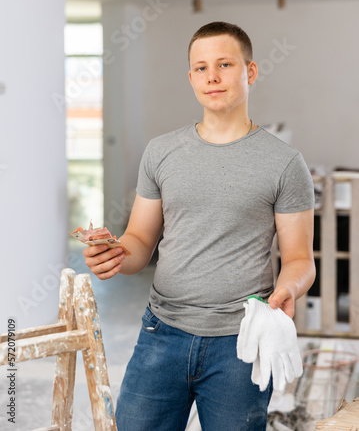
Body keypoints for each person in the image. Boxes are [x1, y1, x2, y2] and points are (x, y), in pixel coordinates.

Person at [83, 21, 316, 430]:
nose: (212, 76)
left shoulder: (284, 163)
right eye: (201, 67)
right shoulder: (161, 152)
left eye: (225, 64)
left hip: (240, 343)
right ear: (190, 76)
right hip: (161, 333)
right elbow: (139, 240)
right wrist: (115, 254)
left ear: (250, 71)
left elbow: (300, 259)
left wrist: (287, 289)